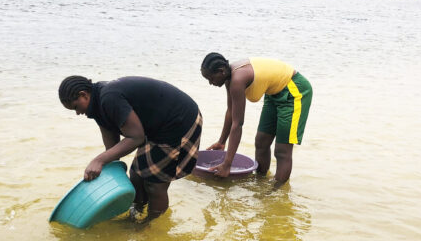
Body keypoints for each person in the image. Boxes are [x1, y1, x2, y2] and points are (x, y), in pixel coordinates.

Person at [58, 75, 202, 223]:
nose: (77, 113)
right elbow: (111, 141)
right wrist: (109, 169)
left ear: (83, 94)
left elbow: (136, 138)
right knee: (136, 175)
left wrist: (98, 160)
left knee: (154, 183)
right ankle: (136, 213)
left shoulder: (109, 98)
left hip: (179, 121)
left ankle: (151, 225)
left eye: (76, 107)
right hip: (155, 127)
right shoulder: (96, 105)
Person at [200, 54, 312, 185]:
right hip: (273, 93)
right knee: (261, 142)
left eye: (211, 78)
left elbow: (238, 124)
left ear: (221, 71)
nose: (210, 83)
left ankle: (275, 192)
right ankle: (260, 182)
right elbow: (231, 112)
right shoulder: (228, 79)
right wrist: (221, 142)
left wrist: (227, 164)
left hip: (294, 91)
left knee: (282, 150)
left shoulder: (237, 80)